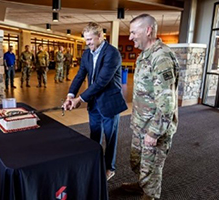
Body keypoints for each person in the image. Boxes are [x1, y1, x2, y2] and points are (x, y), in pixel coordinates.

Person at [120, 14, 179, 200]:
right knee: (137, 162)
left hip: (154, 128)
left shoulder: (161, 57)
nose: (130, 37)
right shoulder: (146, 55)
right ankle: (142, 184)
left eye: (133, 32)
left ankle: (150, 195)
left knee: (152, 167)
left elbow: (167, 103)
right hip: (141, 123)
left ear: (148, 30)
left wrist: (154, 133)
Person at [63, 22, 128, 181]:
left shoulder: (112, 53)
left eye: (90, 39)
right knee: (95, 135)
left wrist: (80, 99)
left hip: (109, 103)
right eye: (86, 40)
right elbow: (80, 76)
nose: (88, 43)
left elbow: (101, 82)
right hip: (94, 103)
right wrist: (70, 95)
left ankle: (109, 167)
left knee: (110, 137)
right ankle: (94, 163)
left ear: (100, 36)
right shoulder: (86, 54)